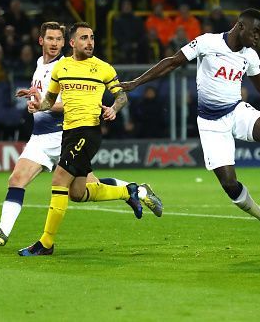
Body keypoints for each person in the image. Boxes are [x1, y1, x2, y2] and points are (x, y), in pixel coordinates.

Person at [115, 9, 260, 247]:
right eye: (255, 31)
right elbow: (172, 62)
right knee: (230, 185)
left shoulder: (249, 55)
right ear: (241, 26)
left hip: (236, 111)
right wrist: (136, 83)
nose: (258, 37)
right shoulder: (207, 42)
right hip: (210, 124)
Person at [13, 22, 163, 256]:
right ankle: (129, 191)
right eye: (84, 38)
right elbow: (50, 101)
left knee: (59, 181)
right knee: (78, 192)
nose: (90, 42)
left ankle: (46, 243)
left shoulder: (103, 68)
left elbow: (121, 96)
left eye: (92, 37)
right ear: (72, 43)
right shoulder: (61, 69)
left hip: (88, 131)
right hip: (68, 133)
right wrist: (37, 104)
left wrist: (114, 108)